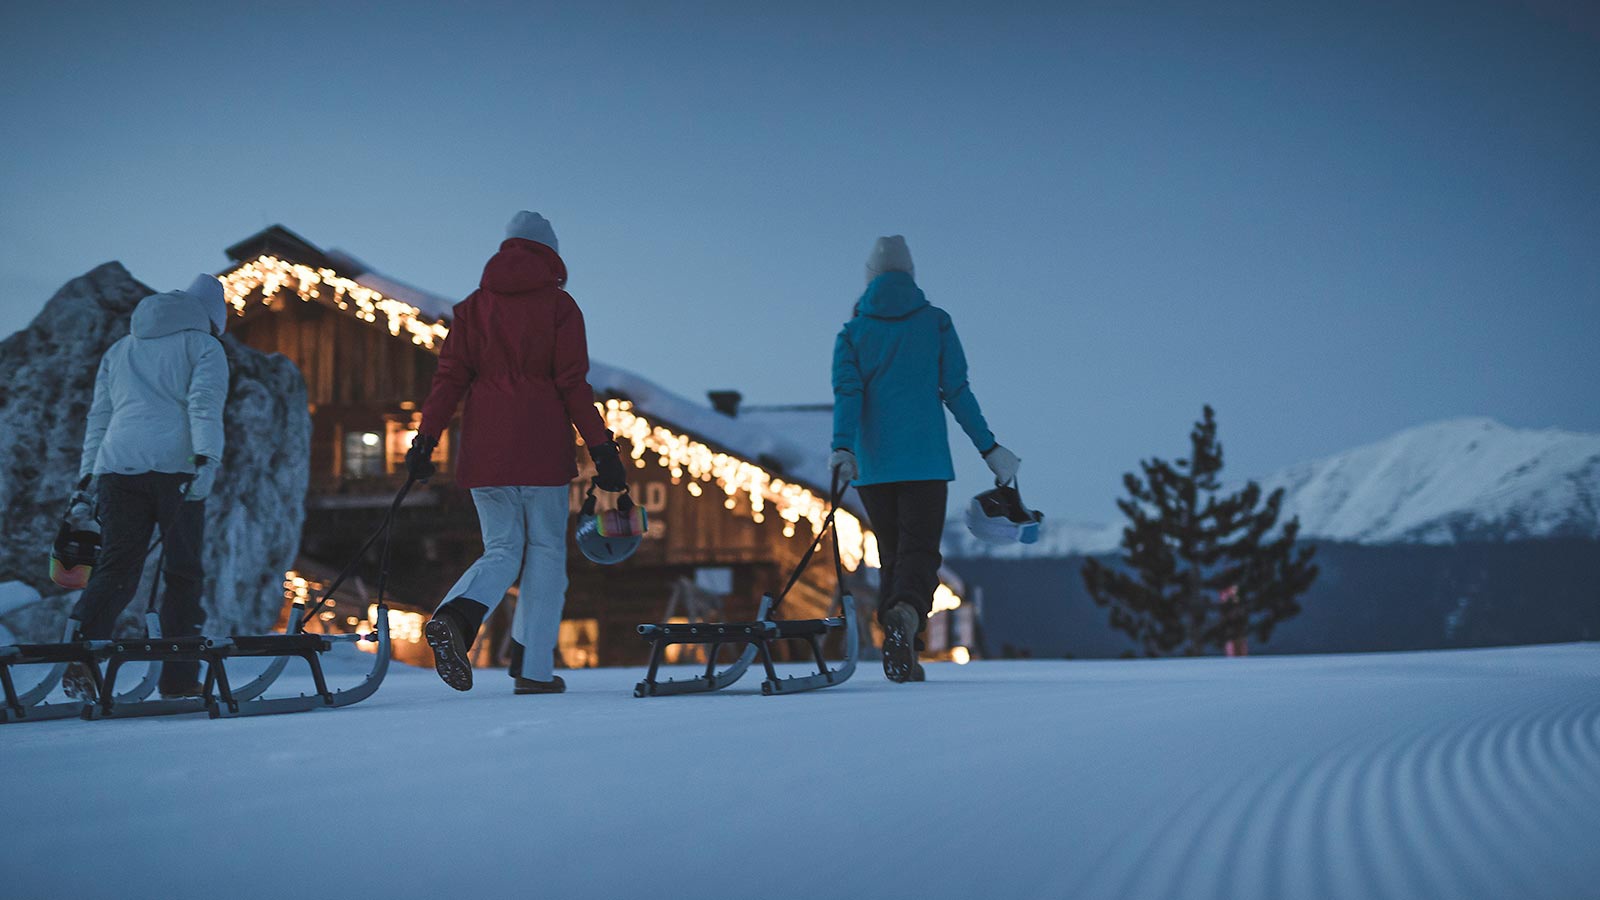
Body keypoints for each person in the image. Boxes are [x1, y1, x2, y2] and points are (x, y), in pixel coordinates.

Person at [408, 211, 628, 696]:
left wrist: (425, 440)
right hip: (541, 447)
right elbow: (572, 385)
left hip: (485, 450)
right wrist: (602, 449)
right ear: (549, 252)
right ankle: (533, 668)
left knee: (503, 549)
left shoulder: (471, 308)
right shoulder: (560, 307)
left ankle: (456, 616)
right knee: (546, 551)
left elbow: (448, 381)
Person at [830, 236, 1019, 683]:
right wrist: (989, 448)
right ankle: (907, 615)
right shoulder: (935, 324)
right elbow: (957, 391)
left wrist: (843, 447)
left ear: (869, 279)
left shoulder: (852, 334)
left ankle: (905, 649)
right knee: (920, 552)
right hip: (926, 461)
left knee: (893, 553)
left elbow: (848, 394)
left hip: (873, 466)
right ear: (911, 276)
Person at [64, 274, 230, 700]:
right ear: (213, 316)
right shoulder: (205, 346)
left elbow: (99, 417)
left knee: (117, 568)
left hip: (117, 469)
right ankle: (178, 679)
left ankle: (80, 657)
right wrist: (206, 461)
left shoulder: (120, 349)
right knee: (182, 572)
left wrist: (88, 477)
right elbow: (203, 404)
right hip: (178, 471)